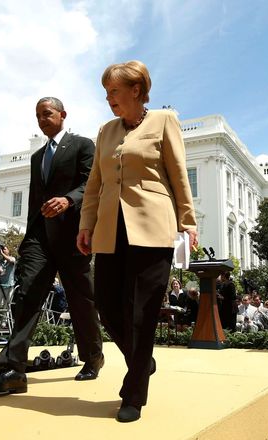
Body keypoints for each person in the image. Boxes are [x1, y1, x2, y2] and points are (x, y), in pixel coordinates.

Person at [76, 60, 197, 423]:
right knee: (108, 306)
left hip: (153, 226)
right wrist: (86, 225)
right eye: (106, 92)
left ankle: (133, 394)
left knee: (143, 312)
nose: (109, 98)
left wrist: (187, 221)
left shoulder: (163, 120)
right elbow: (95, 183)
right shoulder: (106, 131)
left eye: (114, 91)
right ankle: (143, 361)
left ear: (136, 90)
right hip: (111, 229)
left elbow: (177, 172)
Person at [0, 97, 104, 395]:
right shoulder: (37, 158)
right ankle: (14, 370)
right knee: (26, 294)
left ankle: (92, 356)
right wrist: (29, 234)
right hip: (39, 237)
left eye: (46, 113)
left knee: (80, 299)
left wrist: (68, 200)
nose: (41, 119)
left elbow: (92, 183)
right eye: (37, 115)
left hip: (73, 235)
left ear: (62, 114)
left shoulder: (83, 145)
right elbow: (36, 200)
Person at [0, 243, 16, 311]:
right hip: (1, 285)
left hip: (10, 286)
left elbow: (11, 261)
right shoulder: (1, 261)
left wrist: (2, 253)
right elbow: (0, 271)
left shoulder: (12, 258)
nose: (2, 250)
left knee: (7, 305)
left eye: (4, 249)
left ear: (8, 251)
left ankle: (4, 321)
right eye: (2, 249)